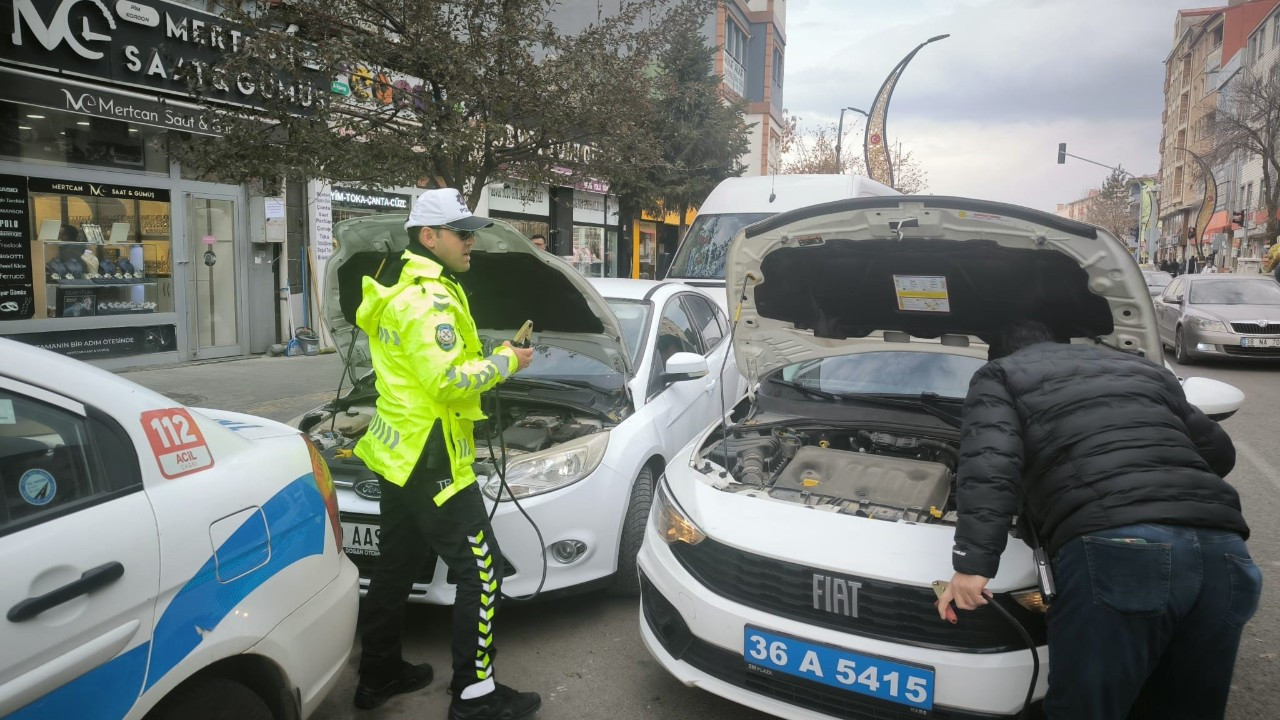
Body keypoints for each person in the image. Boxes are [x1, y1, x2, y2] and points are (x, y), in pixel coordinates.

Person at [936, 319, 1259, 720]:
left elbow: (990, 466)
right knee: (1188, 707)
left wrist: (972, 566)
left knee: (1087, 708)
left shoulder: (1000, 373)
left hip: (1124, 555)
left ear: (999, 352)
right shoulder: (1146, 371)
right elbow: (1220, 454)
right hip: (1224, 552)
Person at [352, 188, 540, 719]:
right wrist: (507, 361)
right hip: (433, 460)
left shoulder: (398, 288)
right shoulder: (429, 300)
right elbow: (448, 381)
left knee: (395, 568)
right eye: (462, 232)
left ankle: (379, 675)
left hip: (396, 455)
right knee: (482, 575)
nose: (472, 241)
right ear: (429, 236)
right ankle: (475, 695)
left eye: (471, 231)